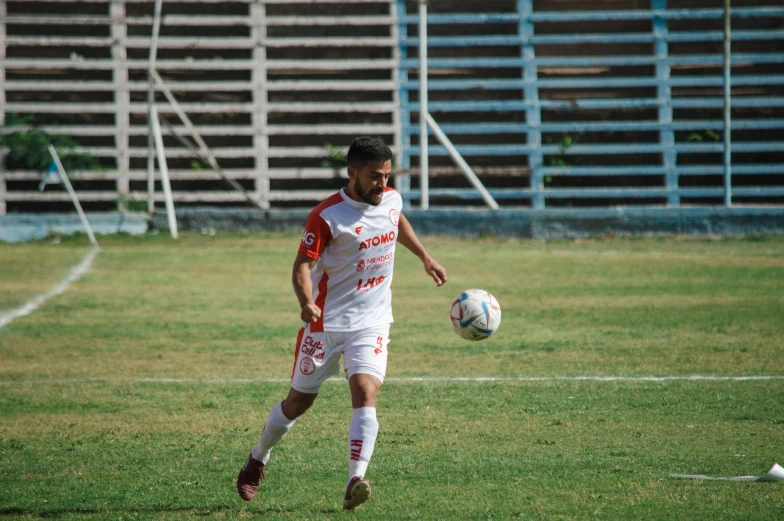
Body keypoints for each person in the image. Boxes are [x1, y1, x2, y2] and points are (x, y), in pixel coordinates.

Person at [236, 137, 448, 510]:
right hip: (326, 325)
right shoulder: (327, 215)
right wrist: (306, 303)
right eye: (373, 176)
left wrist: (425, 257)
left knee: (365, 390)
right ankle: (257, 458)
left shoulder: (391, 200)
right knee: (297, 404)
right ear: (352, 173)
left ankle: (355, 479)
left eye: (386, 175)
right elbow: (302, 264)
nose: (382, 184)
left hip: (372, 321)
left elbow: (396, 221)